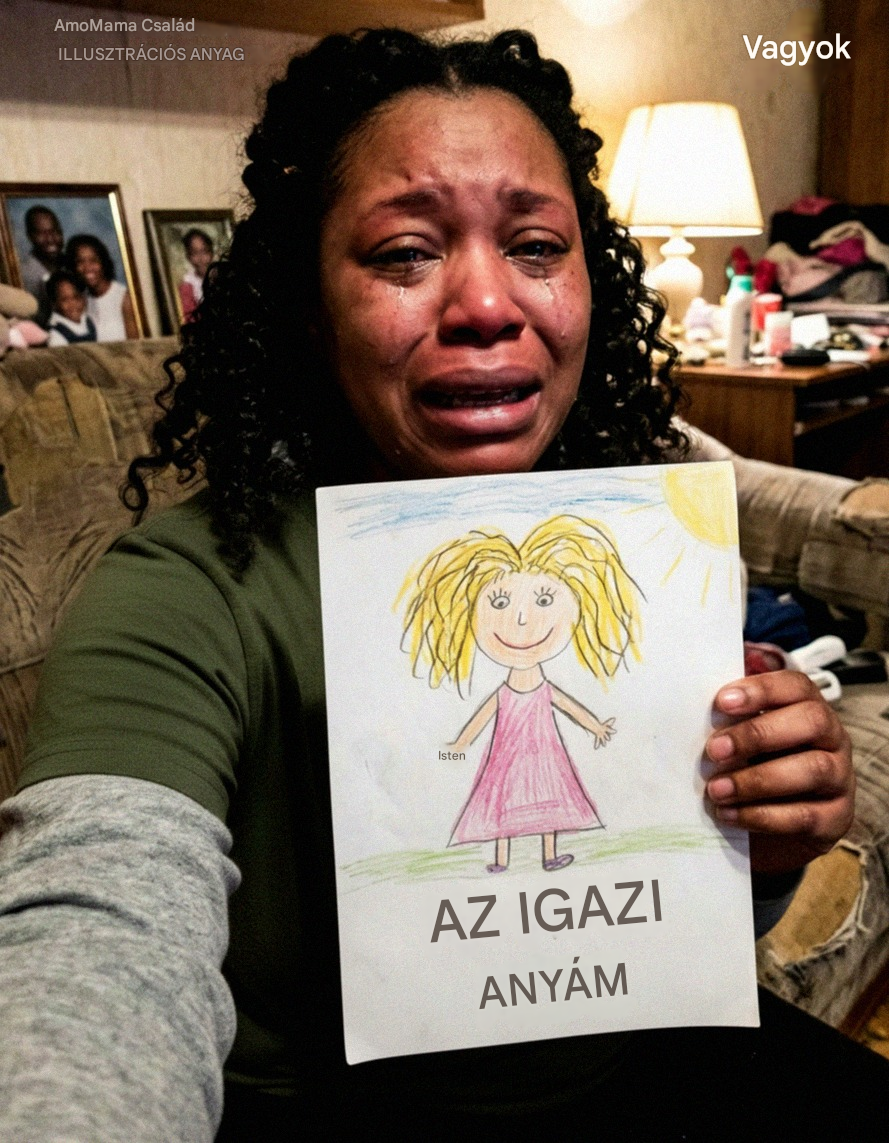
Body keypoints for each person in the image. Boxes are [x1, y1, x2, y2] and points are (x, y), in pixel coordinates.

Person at [0, 27, 884, 1143]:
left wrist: (759, 835)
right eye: (405, 253)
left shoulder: (631, 552)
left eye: (536, 246)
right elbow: (98, 920)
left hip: (656, 1066)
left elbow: (655, 926)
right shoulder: (184, 592)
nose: (485, 303)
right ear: (309, 304)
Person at [402, 515, 638, 871]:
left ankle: (548, 856)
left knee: (550, 795)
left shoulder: (544, 688)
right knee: (501, 799)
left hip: (545, 755)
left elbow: (569, 706)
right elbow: (482, 718)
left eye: (544, 600)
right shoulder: (504, 693)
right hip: (506, 756)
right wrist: (458, 745)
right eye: (500, 604)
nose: (522, 620)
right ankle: (501, 860)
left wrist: (596, 727)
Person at [66, 233, 138, 341]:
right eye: (80, 262)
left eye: (93, 260)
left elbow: (136, 345)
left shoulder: (124, 298)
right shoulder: (82, 301)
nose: (87, 268)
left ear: (103, 262)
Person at [19, 205, 64, 327]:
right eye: (42, 233)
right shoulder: (24, 274)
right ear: (30, 236)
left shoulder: (70, 263)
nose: (50, 239)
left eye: (54, 231)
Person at [44, 269, 98, 346]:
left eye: (76, 297)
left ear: (84, 298)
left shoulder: (88, 321)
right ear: (54, 303)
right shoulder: (56, 334)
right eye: (65, 300)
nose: (72, 304)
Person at [178, 227, 214, 321]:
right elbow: (190, 317)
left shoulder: (222, 277)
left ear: (211, 253)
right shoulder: (187, 286)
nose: (201, 258)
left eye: (204, 252)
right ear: (188, 257)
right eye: (195, 253)